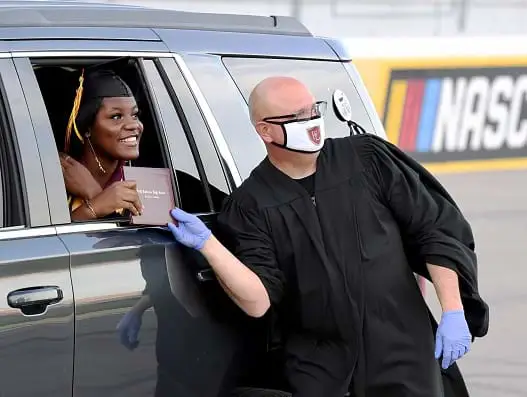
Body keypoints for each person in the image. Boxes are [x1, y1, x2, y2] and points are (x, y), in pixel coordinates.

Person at [167, 76, 489, 397]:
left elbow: (433, 228)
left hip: (404, 354)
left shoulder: (367, 159)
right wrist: (208, 245)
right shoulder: (251, 205)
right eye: (295, 117)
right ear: (265, 130)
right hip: (321, 371)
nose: (310, 122)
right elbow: (258, 301)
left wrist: (453, 310)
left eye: (312, 110)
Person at [59, 68, 144, 221]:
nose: (134, 125)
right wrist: (97, 204)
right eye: (116, 116)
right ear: (87, 128)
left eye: (134, 115)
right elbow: (50, 243)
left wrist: (94, 193)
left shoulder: (150, 183)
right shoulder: (56, 182)